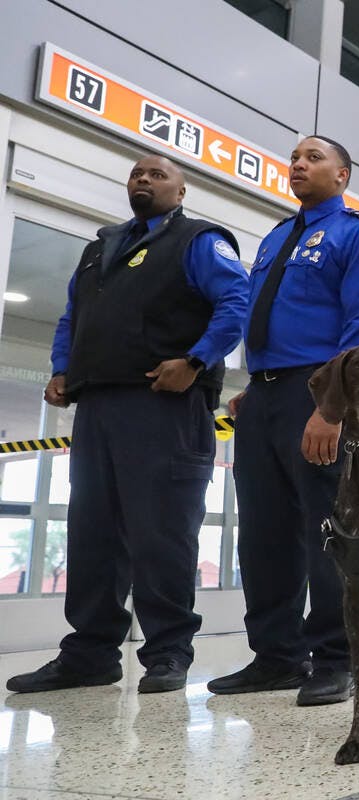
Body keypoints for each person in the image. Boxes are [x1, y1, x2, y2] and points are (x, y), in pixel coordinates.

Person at [6, 154, 248, 695]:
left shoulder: (200, 242)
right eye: (137, 172)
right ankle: (90, 654)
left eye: (158, 174)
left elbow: (237, 300)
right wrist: (62, 368)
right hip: (99, 408)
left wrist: (196, 360)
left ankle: (167, 653)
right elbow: (73, 315)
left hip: (165, 404)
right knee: (92, 534)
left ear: (181, 192)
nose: (144, 178)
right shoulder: (100, 249)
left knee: (161, 533)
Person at [207, 136, 359, 706]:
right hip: (263, 397)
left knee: (329, 530)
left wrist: (332, 408)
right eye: (293, 158)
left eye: (313, 158)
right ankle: (276, 657)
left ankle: (338, 659)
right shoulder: (275, 236)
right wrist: (254, 390)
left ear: (343, 174)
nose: (298, 164)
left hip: (319, 391)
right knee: (263, 532)